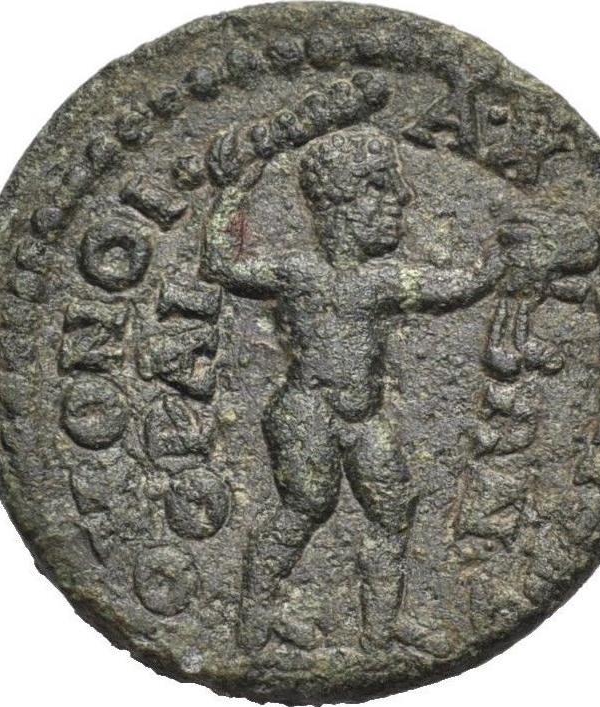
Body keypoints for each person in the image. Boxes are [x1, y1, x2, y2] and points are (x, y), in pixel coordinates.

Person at [202, 126, 504, 651]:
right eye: (381, 187)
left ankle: (381, 629)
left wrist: (500, 260)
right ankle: (255, 617)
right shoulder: (299, 272)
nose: (401, 198)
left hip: (362, 419)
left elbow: (455, 287)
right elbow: (222, 265)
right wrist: (233, 192)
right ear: (341, 201)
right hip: (306, 413)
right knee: (307, 506)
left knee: (395, 508)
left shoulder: (381, 279)